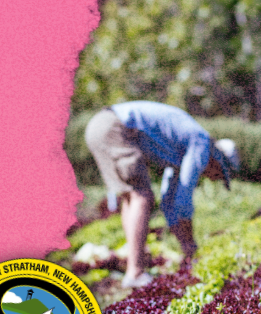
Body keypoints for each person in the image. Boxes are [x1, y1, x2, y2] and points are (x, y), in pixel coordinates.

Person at [84, 101, 240, 288]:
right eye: (219, 175)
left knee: (130, 197)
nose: (213, 179)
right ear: (218, 161)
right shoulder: (201, 143)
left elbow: (168, 203)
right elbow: (183, 201)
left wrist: (186, 246)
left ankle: (134, 269)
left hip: (100, 126)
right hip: (116, 127)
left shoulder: (183, 149)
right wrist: (190, 244)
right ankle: (135, 273)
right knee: (142, 197)